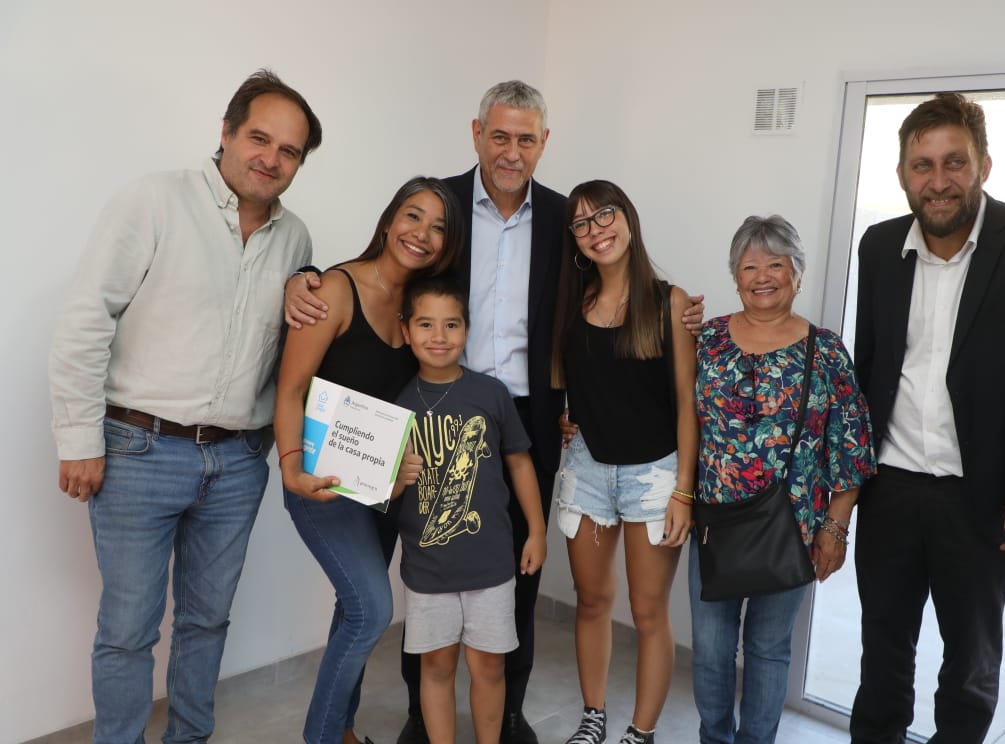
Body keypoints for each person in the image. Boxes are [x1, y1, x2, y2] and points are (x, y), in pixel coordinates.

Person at [286, 80, 705, 744]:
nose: (512, 152)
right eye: (500, 136)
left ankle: (507, 716)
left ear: (544, 143)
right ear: (477, 133)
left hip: (527, 416)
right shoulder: (441, 206)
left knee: (517, 576)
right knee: (422, 563)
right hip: (432, 406)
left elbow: (608, 296)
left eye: (526, 139)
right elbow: (386, 266)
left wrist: (676, 309)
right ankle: (418, 719)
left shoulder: (568, 219)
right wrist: (303, 276)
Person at [47, 70, 322, 743]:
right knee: (128, 630)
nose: (271, 158)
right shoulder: (154, 200)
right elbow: (86, 318)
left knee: (207, 621)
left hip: (236, 463)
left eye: (289, 151)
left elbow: (286, 349)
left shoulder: (295, 239)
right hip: (138, 452)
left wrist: (306, 288)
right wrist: (79, 439)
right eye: (259, 138)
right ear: (226, 132)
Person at [849, 93, 1005, 744]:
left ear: (983, 165)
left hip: (983, 500)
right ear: (902, 175)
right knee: (882, 653)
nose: (938, 180)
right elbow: (870, 367)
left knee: (970, 665)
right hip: (890, 488)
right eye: (921, 165)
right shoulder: (878, 246)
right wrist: (846, 484)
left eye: (954, 162)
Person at [273, 177, 462, 744]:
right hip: (321, 481)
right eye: (413, 216)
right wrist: (291, 467)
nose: (421, 233)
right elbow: (291, 389)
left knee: (354, 607)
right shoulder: (335, 289)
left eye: (438, 228)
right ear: (388, 221)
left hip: (383, 488)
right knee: (373, 610)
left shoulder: (420, 307)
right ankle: (322, 736)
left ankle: (343, 728)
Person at [689, 215, 875, 744]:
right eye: (750, 266)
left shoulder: (827, 351)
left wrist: (835, 529)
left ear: (797, 273)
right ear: (735, 276)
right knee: (710, 649)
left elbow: (851, 447)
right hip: (715, 526)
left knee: (769, 649)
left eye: (776, 264)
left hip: (792, 531)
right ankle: (714, 737)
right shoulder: (706, 341)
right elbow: (672, 414)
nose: (763, 276)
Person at [549, 180, 697, 744]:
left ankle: (641, 732)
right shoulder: (572, 302)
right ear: (575, 240)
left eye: (605, 215)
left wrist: (684, 490)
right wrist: (566, 416)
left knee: (648, 612)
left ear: (628, 219)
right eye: (582, 224)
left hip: (654, 477)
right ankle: (593, 718)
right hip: (587, 470)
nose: (596, 230)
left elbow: (686, 404)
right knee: (591, 601)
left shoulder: (670, 302)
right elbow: (567, 384)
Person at [393, 274, 547, 744]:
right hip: (428, 567)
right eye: (425, 324)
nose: (439, 336)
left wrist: (537, 531)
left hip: (491, 565)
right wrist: (396, 479)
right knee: (436, 667)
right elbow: (379, 491)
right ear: (406, 331)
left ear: (467, 330)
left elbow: (520, 463)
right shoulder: (395, 406)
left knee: (489, 667)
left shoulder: (491, 393)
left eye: (452, 324)